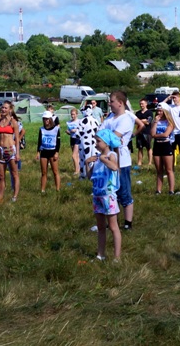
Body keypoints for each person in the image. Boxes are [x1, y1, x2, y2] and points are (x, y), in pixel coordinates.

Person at [100, 91, 136, 230]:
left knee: (123, 192)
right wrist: (107, 137)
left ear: (120, 103)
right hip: (107, 159)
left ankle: (128, 223)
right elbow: (100, 134)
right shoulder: (110, 117)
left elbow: (112, 138)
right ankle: (112, 221)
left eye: (112, 101)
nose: (109, 104)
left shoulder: (126, 119)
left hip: (122, 161)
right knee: (109, 192)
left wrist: (108, 137)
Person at [87, 129, 122, 262]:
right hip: (97, 195)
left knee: (113, 226)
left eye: (98, 141)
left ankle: (117, 257)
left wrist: (103, 159)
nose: (96, 144)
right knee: (101, 227)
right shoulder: (97, 158)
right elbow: (90, 176)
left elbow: (114, 167)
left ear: (106, 143)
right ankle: (100, 254)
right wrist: (87, 163)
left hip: (108, 196)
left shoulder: (111, 155)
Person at [0, 101, 20, 202]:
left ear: (10, 110)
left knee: (14, 174)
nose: (3, 109)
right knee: (1, 175)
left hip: (10, 150)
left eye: (5, 108)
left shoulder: (13, 122)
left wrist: (17, 153)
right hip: (0, 150)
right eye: (2, 107)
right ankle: (0, 196)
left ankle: (15, 196)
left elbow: (17, 139)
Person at [151, 103, 177, 195]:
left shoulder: (169, 122)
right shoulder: (155, 121)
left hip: (166, 145)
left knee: (169, 169)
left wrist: (156, 135)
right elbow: (152, 133)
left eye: (161, 111)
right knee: (159, 170)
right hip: (157, 145)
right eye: (158, 111)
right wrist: (155, 122)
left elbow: (166, 134)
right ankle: (158, 190)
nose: (159, 113)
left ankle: (171, 190)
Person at [36, 111, 62, 193]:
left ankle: (58, 189)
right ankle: (42, 190)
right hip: (44, 152)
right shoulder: (41, 129)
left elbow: (58, 142)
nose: (46, 120)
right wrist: (38, 152)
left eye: (47, 119)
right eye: (44, 119)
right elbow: (39, 141)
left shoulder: (56, 129)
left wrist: (57, 152)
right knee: (44, 172)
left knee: (55, 171)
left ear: (50, 119)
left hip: (53, 152)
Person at [134, 98, 153, 167]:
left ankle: (150, 162)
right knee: (140, 148)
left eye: (142, 104)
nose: (141, 105)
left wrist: (139, 120)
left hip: (147, 132)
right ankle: (139, 162)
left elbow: (148, 122)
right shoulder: (137, 113)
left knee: (148, 147)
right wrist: (143, 120)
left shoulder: (149, 112)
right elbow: (135, 121)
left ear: (146, 104)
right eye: (140, 104)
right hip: (139, 132)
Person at [66, 107, 83, 177]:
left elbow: (82, 130)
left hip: (77, 138)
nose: (72, 116)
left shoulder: (79, 121)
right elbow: (69, 131)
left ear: (77, 114)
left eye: (74, 114)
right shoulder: (69, 122)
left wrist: (76, 130)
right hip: (72, 138)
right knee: (76, 155)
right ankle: (78, 168)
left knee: (74, 155)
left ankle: (77, 171)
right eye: (71, 114)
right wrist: (68, 132)